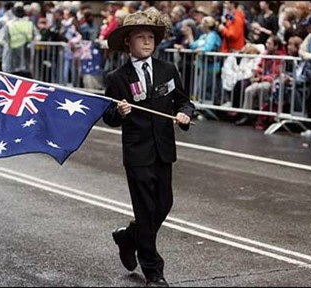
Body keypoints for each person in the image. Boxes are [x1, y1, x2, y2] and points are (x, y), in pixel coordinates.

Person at [102, 8, 195, 287]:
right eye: (140, 37)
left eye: (151, 37)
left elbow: (183, 100)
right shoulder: (118, 77)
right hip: (137, 152)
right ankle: (154, 270)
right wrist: (120, 112)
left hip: (163, 149)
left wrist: (185, 114)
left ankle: (129, 237)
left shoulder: (168, 69)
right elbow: (108, 117)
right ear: (128, 42)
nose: (147, 42)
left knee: (164, 203)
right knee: (145, 209)